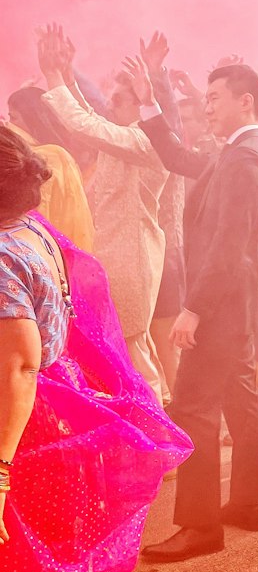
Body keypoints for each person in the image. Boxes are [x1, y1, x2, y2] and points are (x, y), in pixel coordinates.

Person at [0, 129, 188, 572]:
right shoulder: (37, 233)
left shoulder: (1, 252)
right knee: (60, 571)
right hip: (64, 416)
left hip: (25, 433)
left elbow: (18, 367)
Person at [138, 63, 258, 562]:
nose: (207, 104)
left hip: (221, 301)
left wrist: (193, 308)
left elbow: (230, 244)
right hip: (236, 301)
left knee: (193, 408)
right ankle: (245, 503)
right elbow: (177, 156)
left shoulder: (245, 159)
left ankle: (200, 528)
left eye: (215, 96)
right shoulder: (237, 151)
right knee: (241, 395)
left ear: (245, 102)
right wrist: (151, 103)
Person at [36, 25, 169, 401]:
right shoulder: (124, 139)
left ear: (140, 104)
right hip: (114, 260)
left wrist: (52, 77)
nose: (108, 108)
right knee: (127, 355)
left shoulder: (144, 141)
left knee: (136, 356)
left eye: (118, 102)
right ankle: (148, 433)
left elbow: (88, 124)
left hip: (132, 264)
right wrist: (64, 75)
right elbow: (92, 120)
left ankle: (161, 441)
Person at [6, 86, 95, 250]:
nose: (9, 126)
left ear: (33, 120)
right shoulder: (15, 156)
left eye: (15, 119)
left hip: (43, 247)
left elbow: (46, 212)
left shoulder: (55, 156)